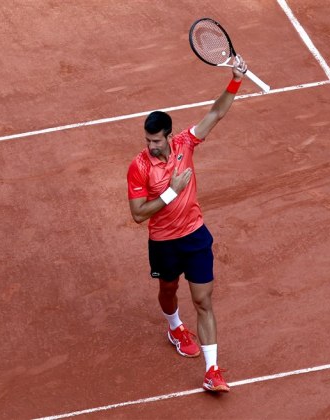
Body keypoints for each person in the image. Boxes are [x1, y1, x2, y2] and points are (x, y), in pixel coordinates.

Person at [126, 56, 248, 392]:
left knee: (203, 301)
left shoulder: (185, 144)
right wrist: (171, 192)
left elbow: (216, 114)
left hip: (194, 235)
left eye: (156, 141)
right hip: (163, 243)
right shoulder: (138, 167)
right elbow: (138, 214)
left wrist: (236, 80)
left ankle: (212, 371)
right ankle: (175, 326)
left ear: (168, 136)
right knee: (168, 290)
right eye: (147, 141)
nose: (151, 146)